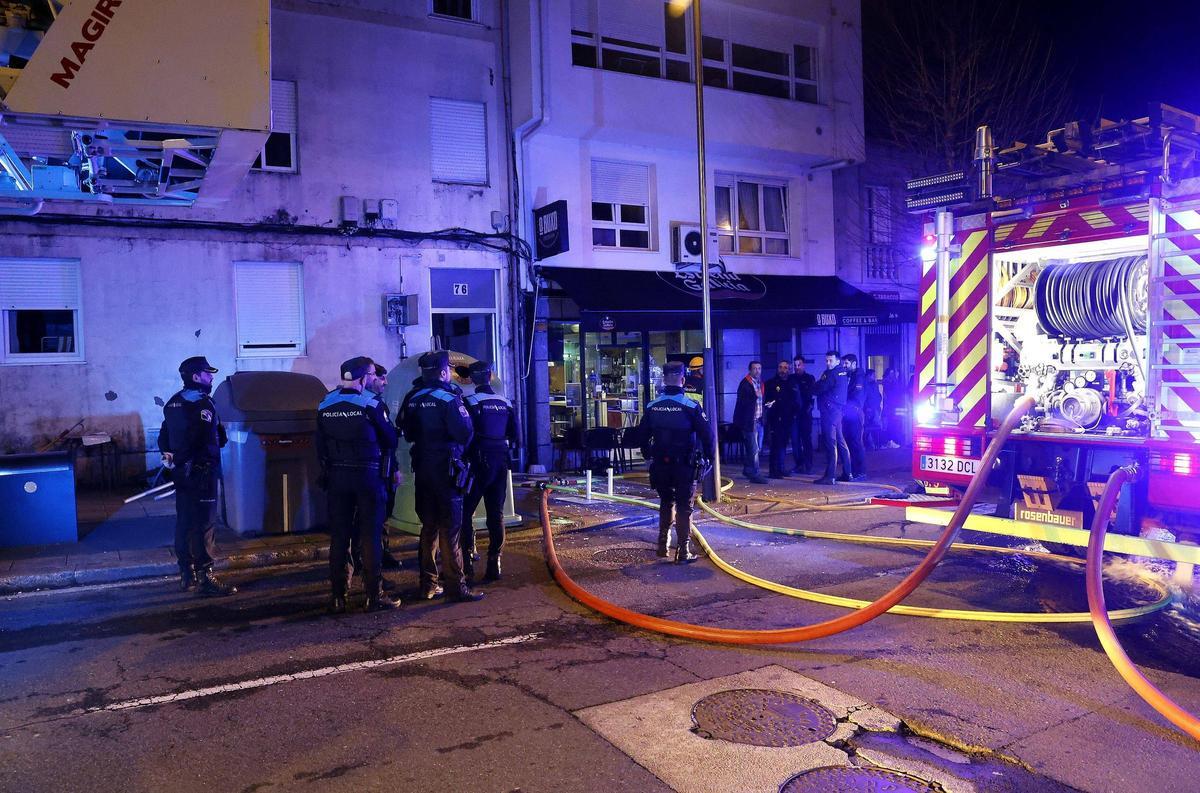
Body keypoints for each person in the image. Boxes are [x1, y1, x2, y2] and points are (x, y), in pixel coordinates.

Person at [316, 356, 400, 613]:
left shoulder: (325, 403)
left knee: (340, 536)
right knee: (370, 535)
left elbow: (319, 444)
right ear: (363, 379)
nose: (374, 379)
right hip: (368, 477)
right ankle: (374, 596)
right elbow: (390, 439)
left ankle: (338, 596)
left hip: (337, 477)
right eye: (373, 375)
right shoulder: (371, 404)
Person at [402, 350, 484, 603]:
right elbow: (465, 433)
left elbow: (406, 431)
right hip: (447, 470)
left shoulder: (412, 397)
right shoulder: (449, 398)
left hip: (423, 468)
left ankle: (427, 585)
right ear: (443, 372)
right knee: (451, 530)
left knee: (429, 529)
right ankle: (455, 587)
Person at [159, 356, 237, 597]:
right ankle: (206, 577)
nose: (211, 377)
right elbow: (204, 438)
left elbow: (163, 437)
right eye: (207, 373)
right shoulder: (203, 404)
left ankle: (186, 574)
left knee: (184, 521)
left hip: (181, 473)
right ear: (196, 377)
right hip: (202, 472)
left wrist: (172, 459)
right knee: (204, 525)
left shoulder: (172, 403)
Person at [630, 360, 714, 563]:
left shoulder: (652, 406)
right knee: (684, 506)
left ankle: (662, 545)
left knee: (666, 501)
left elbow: (641, 436)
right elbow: (708, 436)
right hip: (684, 466)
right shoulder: (691, 406)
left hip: (660, 465)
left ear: (664, 380)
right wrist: (709, 458)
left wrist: (648, 455)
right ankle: (683, 551)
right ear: (683, 380)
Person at [460, 360, 518, 583]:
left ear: (472, 379)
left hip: (478, 461)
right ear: (490, 376)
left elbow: (465, 434)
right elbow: (515, 435)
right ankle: (495, 562)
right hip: (501, 460)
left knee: (466, 512)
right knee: (497, 514)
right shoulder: (506, 402)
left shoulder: (470, 401)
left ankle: (466, 565)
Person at [350, 363, 403, 577]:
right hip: (372, 469)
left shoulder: (376, 403)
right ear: (370, 379)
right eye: (381, 378)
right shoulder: (368, 404)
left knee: (382, 515)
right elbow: (387, 438)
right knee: (368, 516)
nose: (385, 383)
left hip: (380, 467)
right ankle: (365, 561)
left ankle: (382, 551)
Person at [813, 351, 852, 485]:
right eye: (827, 360)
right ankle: (848, 473)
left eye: (830, 361)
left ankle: (830, 476)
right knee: (840, 441)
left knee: (831, 443)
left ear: (837, 361)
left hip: (830, 411)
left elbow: (820, 387)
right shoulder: (843, 372)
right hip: (837, 411)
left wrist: (810, 388)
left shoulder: (832, 373)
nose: (828, 363)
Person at [731, 361, 767, 484]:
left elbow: (759, 403)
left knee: (756, 448)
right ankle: (755, 474)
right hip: (749, 422)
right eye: (755, 368)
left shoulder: (760, 383)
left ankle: (748, 469)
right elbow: (743, 403)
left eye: (759, 368)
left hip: (758, 420)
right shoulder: (745, 384)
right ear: (750, 370)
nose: (757, 371)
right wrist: (754, 396)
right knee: (754, 449)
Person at [763, 360, 797, 479]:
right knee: (775, 445)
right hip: (776, 418)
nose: (783, 370)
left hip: (788, 419)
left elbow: (795, 400)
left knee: (783, 444)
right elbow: (767, 401)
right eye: (781, 367)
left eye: (785, 368)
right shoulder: (771, 383)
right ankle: (773, 470)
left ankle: (781, 468)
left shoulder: (791, 382)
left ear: (789, 369)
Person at [841, 353, 867, 481]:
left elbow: (856, 397)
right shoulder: (849, 376)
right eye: (843, 363)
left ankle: (860, 472)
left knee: (856, 443)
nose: (844, 366)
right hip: (847, 414)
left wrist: (843, 403)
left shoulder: (859, 377)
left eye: (846, 363)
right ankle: (849, 472)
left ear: (854, 364)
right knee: (848, 443)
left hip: (855, 414)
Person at [790, 356, 816, 474]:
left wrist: (808, 410)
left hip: (805, 415)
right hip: (794, 415)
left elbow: (812, 397)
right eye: (795, 365)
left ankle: (808, 465)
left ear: (803, 365)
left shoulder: (809, 378)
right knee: (795, 442)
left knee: (806, 441)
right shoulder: (791, 379)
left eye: (799, 365)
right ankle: (799, 464)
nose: (797, 367)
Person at [882, 367, 905, 449]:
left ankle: (894, 441)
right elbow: (891, 393)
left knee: (897, 423)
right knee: (892, 424)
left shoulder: (894, 382)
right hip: (891, 407)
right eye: (891, 373)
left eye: (893, 373)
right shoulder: (886, 382)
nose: (892, 375)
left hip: (897, 406)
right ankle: (890, 441)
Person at [862, 368, 883, 451]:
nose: (875, 377)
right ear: (869, 376)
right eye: (873, 375)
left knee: (876, 427)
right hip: (868, 410)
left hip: (875, 409)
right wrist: (867, 407)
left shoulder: (874, 384)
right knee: (867, 428)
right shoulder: (865, 385)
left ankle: (875, 445)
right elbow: (865, 397)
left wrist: (879, 402)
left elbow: (877, 395)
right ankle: (868, 445)